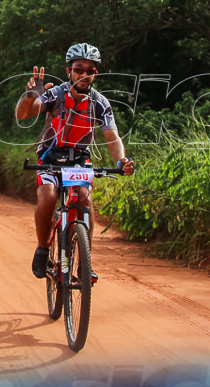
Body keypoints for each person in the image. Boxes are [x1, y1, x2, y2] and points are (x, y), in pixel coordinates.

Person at [14, 42, 134, 280]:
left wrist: (121, 161)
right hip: (49, 155)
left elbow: (112, 136)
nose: (84, 75)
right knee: (48, 197)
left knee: (84, 199)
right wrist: (30, 96)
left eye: (91, 71)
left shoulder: (100, 103)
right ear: (69, 71)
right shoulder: (56, 94)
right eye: (79, 69)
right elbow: (23, 113)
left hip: (79, 159)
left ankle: (84, 263)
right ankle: (42, 248)